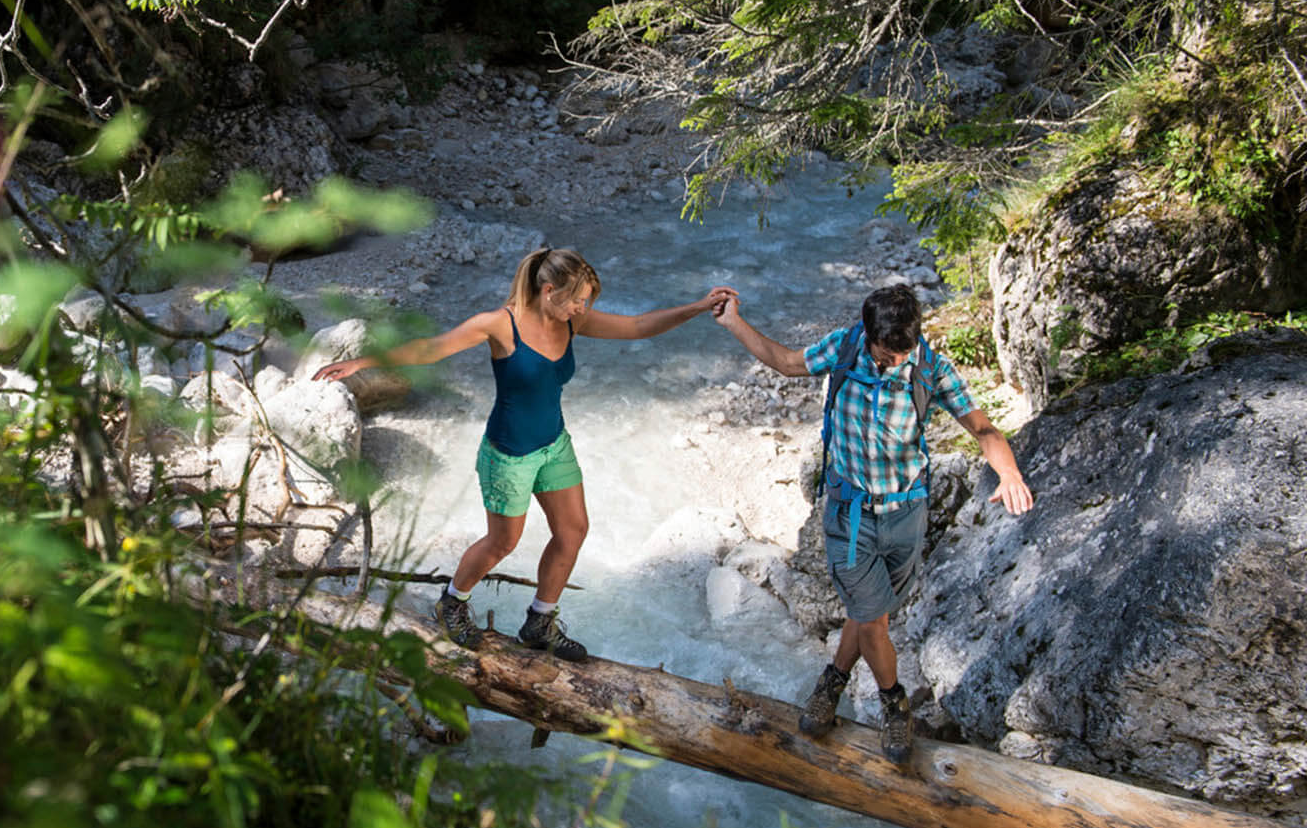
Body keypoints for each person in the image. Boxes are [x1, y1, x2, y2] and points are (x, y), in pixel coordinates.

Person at [316, 247, 736, 661]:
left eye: (587, 300)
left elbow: (639, 326)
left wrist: (699, 306)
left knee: (573, 531)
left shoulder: (572, 321)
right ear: (548, 290)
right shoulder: (500, 324)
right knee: (503, 542)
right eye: (576, 299)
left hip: (554, 446)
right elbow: (432, 348)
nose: (582, 307)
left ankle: (539, 622)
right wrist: (362, 362)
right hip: (509, 455)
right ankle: (452, 604)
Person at [714, 284, 1033, 764]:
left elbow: (983, 429)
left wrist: (1008, 471)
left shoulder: (930, 368)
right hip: (850, 513)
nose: (893, 362)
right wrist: (734, 321)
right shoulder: (844, 348)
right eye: (886, 354)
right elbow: (784, 361)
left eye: (902, 352)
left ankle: (832, 680)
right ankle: (893, 703)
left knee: (871, 616)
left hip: (907, 515)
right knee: (870, 615)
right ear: (868, 334)